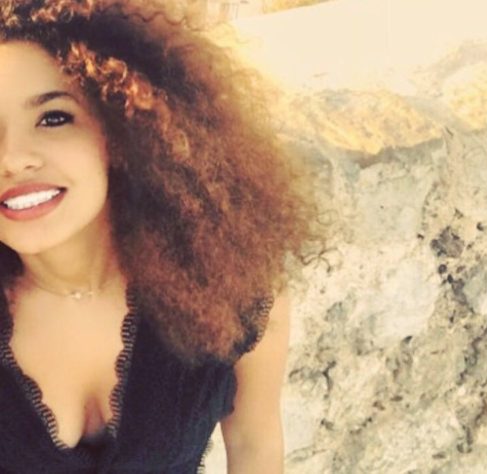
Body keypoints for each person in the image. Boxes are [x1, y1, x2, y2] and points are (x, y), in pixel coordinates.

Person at [0, 0, 325, 473]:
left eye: (53, 118)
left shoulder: (229, 287)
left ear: (121, 127)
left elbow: (253, 443)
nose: (12, 159)